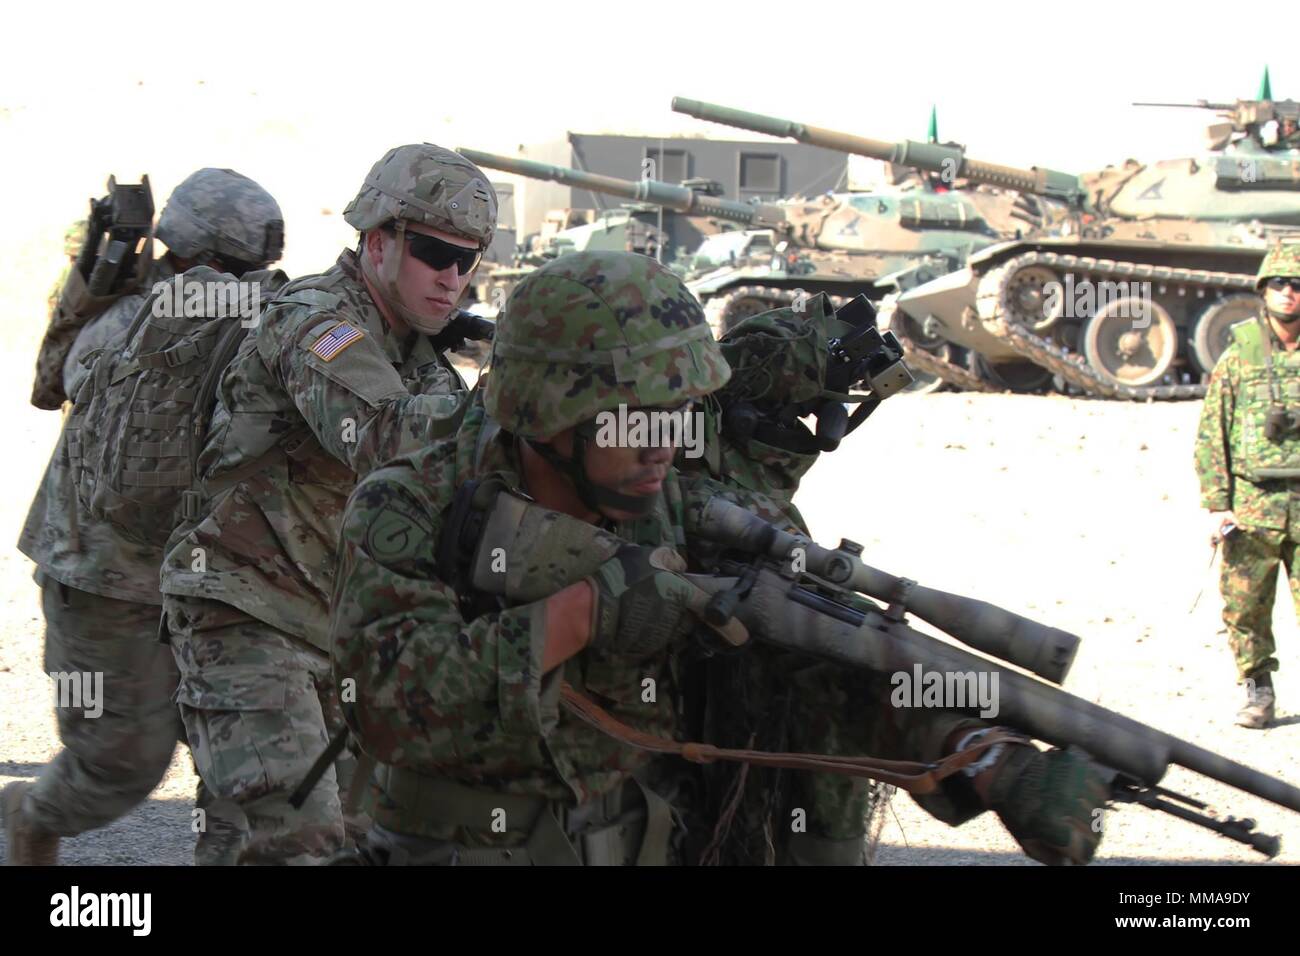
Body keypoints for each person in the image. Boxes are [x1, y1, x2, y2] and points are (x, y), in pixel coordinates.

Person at [328, 250, 1109, 865]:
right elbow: (388, 707)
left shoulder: (683, 506)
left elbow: (830, 653)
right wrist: (583, 614)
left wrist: (980, 753)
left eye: (679, 417)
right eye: (640, 424)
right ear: (551, 420)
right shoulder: (415, 507)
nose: (668, 446)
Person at [156, 144, 497, 864]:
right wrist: (523, 388)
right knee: (298, 843)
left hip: (338, 633)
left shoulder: (421, 359)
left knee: (350, 843)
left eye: (469, 261)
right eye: (435, 252)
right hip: (244, 613)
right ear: (377, 242)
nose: (453, 277)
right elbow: (383, 438)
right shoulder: (314, 321)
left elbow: (465, 484)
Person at [4, 169, 285, 865]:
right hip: (97, 587)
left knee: (247, 761)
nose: (251, 284)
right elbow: (63, 381)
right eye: (239, 271)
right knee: (117, 762)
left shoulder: (246, 320)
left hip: (208, 583)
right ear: (203, 262)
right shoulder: (131, 323)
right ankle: (31, 815)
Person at [1196, 238, 1300, 729]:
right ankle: (1258, 693)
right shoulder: (1241, 356)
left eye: (1298, 285)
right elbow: (1212, 432)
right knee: (1245, 607)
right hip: (1253, 503)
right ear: (1263, 289)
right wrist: (1218, 505)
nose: (1289, 293)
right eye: (1279, 283)